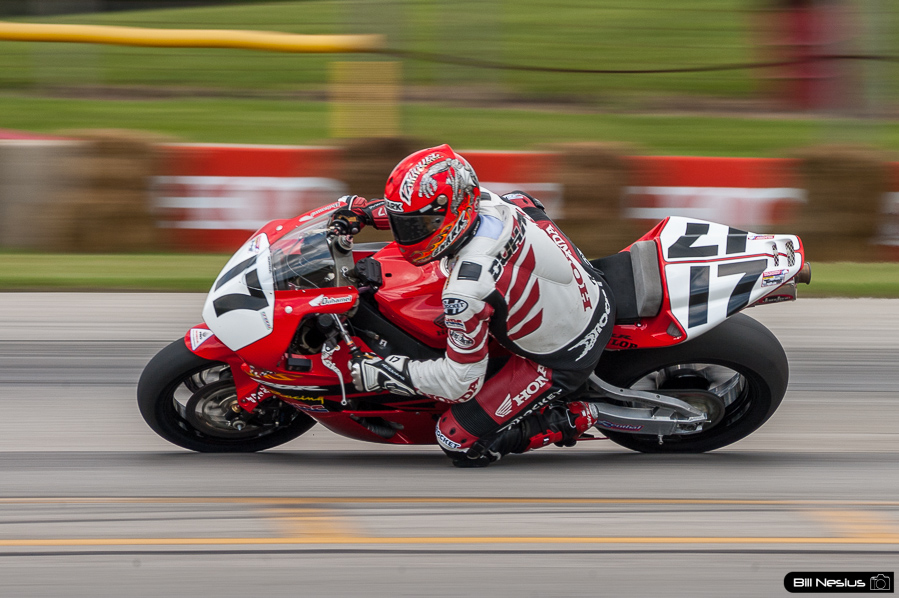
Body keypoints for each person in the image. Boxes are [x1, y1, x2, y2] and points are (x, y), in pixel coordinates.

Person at [329, 144, 616, 467]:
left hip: (567, 349)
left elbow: (460, 383)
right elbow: (419, 211)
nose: (407, 235)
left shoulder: (466, 290)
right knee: (518, 200)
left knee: (456, 439)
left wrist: (385, 372)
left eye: (417, 227)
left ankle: (575, 416)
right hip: (581, 282)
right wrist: (365, 213)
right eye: (403, 224)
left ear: (452, 213)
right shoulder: (482, 201)